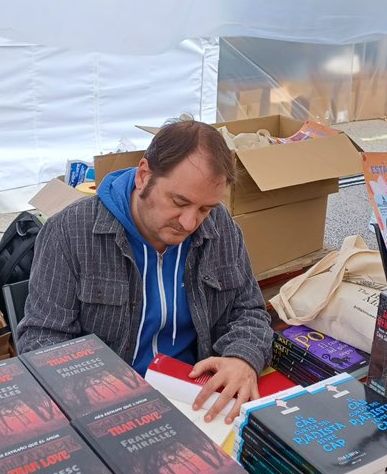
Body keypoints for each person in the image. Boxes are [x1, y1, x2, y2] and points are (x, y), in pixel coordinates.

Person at [17, 119, 274, 423]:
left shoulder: (222, 228)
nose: (191, 223)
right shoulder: (69, 233)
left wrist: (241, 356)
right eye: (179, 202)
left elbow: (250, 311)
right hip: (104, 405)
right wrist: (97, 392)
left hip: (195, 398)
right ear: (143, 176)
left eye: (205, 208)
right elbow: (41, 339)